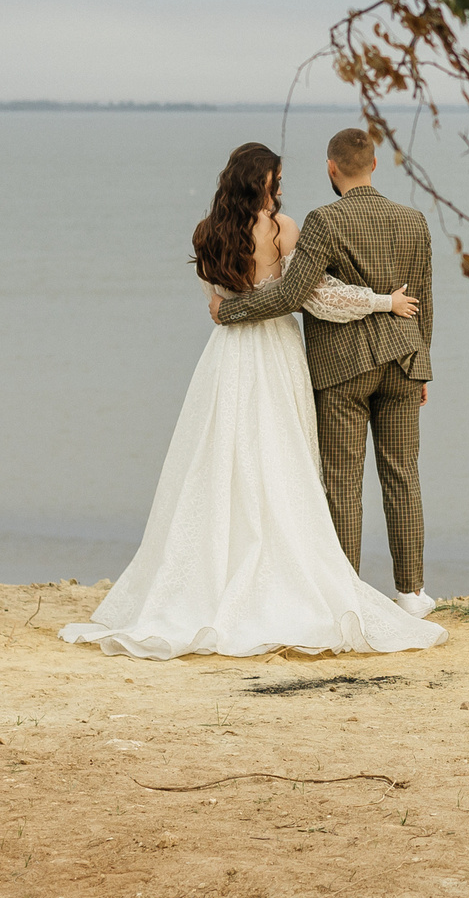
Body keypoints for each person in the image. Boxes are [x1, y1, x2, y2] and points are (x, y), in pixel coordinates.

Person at [58, 142, 445, 659]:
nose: (282, 187)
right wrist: (384, 302)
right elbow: (316, 296)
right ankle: (393, 589)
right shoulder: (285, 230)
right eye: (277, 179)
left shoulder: (206, 235)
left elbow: (216, 304)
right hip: (281, 353)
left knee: (224, 462)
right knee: (289, 462)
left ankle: (222, 571)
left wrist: (231, 311)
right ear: (265, 182)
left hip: (226, 357)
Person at [211, 126, 438, 618]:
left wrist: (228, 312)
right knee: (403, 475)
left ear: (331, 168)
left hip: (343, 368)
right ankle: (412, 592)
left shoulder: (323, 220)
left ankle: (344, 589)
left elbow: (296, 296)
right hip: (402, 361)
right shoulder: (414, 220)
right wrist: (421, 367)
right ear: (375, 165)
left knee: (341, 480)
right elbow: (422, 299)